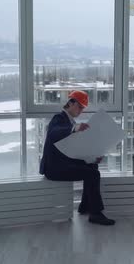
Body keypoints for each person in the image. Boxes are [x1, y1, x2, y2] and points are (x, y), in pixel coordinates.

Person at [39, 90, 115, 226]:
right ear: (71, 103)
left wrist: (91, 158)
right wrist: (75, 129)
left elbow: (73, 151)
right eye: (79, 107)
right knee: (93, 174)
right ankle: (96, 214)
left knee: (92, 166)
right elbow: (53, 133)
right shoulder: (59, 118)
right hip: (53, 168)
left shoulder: (70, 122)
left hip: (62, 163)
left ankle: (85, 206)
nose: (81, 111)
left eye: (82, 108)